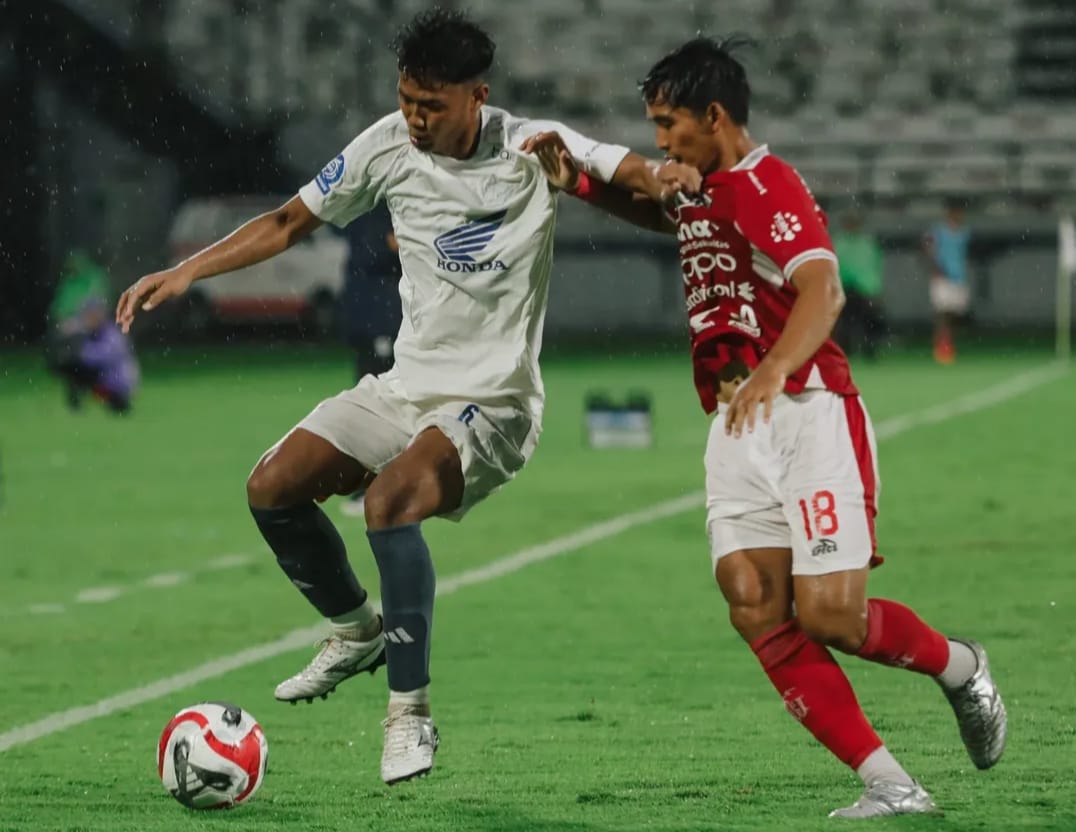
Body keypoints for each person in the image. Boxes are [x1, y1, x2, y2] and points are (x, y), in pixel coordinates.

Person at [115, 8, 671, 785]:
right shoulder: (385, 145)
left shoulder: (532, 146)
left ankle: (409, 716)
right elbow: (289, 220)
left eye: (431, 105)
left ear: (477, 96)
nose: (414, 117)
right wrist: (188, 271)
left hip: (496, 402)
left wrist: (651, 178)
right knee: (272, 487)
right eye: (406, 99)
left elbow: (639, 178)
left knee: (388, 505)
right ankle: (357, 631)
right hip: (406, 387)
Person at [523, 37, 1006, 819]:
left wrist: (775, 370)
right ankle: (890, 783)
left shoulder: (765, 183)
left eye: (669, 124)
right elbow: (666, 215)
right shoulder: (705, 187)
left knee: (831, 616)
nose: (660, 141)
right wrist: (576, 182)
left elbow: (824, 290)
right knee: (750, 597)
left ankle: (960, 667)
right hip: (737, 420)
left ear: (714, 116)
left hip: (810, 411)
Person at [337, 203, 403, 518]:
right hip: (379, 318)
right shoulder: (377, 212)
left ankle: (378, 481)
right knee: (382, 403)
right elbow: (386, 247)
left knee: (377, 401)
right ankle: (375, 484)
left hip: (368, 316)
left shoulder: (359, 207)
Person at [45, 251, 139, 414]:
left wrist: (76, 354)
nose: (88, 318)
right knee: (72, 366)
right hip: (108, 379)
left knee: (74, 367)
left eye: (91, 315)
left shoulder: (111, 333)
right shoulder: (95, 331)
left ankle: (116, 403)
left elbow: (101, 358)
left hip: (119, 383)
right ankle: (82, 404)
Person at [832, 210, 886, 360]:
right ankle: (844, 352)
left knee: (868, 322)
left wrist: (876, 289)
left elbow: (874, 266)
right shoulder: (838, 242)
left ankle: (869, 351)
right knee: (843, 324)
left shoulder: (867, 243)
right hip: (843, 288)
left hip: (865, 289)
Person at [923, 200, 971, 364]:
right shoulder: (938, 231)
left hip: (958, 277)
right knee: (942, 314)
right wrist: (935, 267)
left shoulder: (964, 233)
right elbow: (927, 248)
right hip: (942, 277)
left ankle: (949, 343)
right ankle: (941, 347)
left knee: (955, 314)